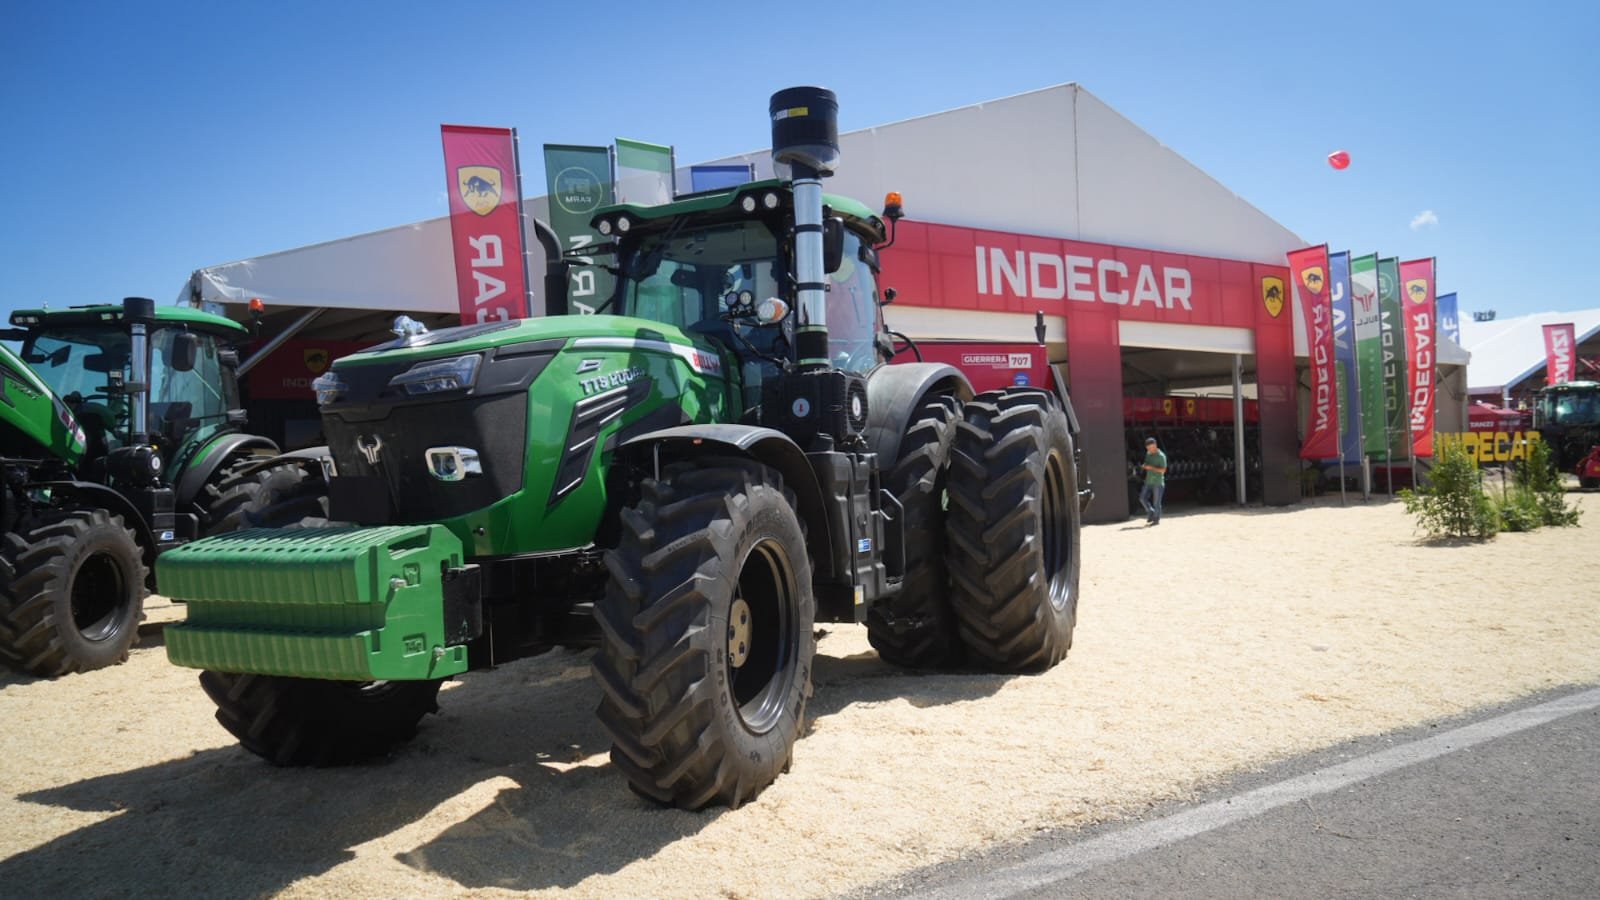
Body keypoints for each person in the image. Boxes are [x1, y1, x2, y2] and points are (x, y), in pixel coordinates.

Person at [1139, 436, 1168, 525]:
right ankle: (1151, 511)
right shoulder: (1148, 454)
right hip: (1148, 481)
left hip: (1158, 482)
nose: (1149, 450)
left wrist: (1151, 468)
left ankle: (1156, 519)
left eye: (1151, 448)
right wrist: (1144, 466)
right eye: (1148, 448)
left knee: (1156, 503)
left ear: (1155, 445)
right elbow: (1146, 463)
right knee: (1142, 498)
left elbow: (1163, 470)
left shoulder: (1161, 456)